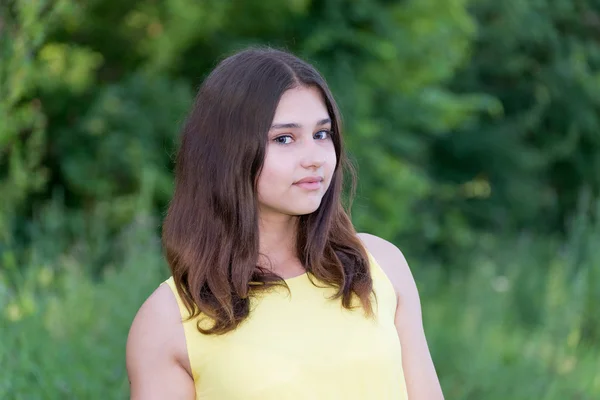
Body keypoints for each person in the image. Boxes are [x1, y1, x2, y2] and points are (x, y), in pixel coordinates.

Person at [126, 47, 444, 400]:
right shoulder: (168, 319)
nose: (314, 158)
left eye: (322, 134)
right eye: (284, 139)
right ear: (227, 155)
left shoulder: (380, 265)